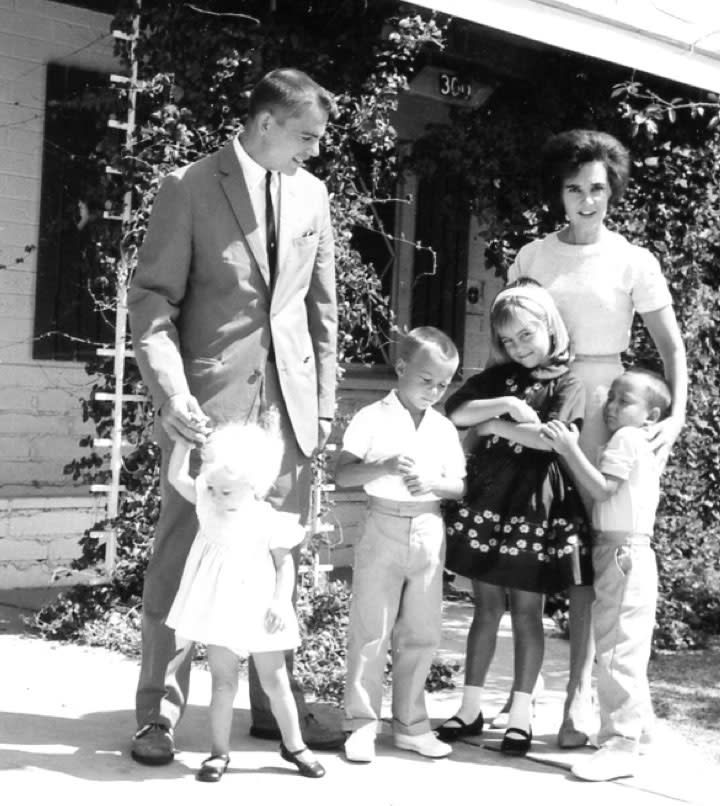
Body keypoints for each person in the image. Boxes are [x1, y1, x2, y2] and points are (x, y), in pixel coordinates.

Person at [127, 67, 341, 765]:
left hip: (290, 414)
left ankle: (270, 711)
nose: (314, 149)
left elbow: (322, 314)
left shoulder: (312, 195)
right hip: (210, 414)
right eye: (306, 135)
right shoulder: (189, 187)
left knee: (276, 553)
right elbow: (153, 304)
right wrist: (171, 392)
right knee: (183, 557)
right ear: (267, 123)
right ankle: (157, 713)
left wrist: (326, 408)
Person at [507, 129, 687, 747]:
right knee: (535, 548)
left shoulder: (633, 261)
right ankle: (517, 704)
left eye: (598, 189)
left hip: (606, 412)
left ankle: (581, 700)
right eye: (574, 188)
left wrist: (678, 413)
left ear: (613, 192)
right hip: (545, 406)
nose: (587, 201)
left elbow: (671, 347)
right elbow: (517, 335)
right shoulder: (532, 257)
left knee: (595, 559)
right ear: (557, 192)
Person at [436, 282, 592, 757]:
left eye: (528, 335)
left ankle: (521, 715)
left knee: (527, 613)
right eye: (509, 341)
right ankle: (470, 707)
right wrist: (503, 405)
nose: (520, 347)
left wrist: (495, 426)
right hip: (488, 504)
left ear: (550, 326)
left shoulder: (567, 382)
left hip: (533, 508)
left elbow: (553, 441)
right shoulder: (497, 380)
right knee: (485, 608)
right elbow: (456, 411)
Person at [166, 416, 325, 781]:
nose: (218, 498)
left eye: (227, 492)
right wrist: (184, 443)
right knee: (223, 681)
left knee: (275, 681)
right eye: (214, 488)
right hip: (219, 607)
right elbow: (178, 478)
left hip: (260, 607)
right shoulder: (206, 504)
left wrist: (279, 603)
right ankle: (219, 753)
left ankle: (295, 745)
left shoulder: (266, 518)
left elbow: (284, 567)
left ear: (254, 486)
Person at [335, 327, 466, 763]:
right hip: (383, 525)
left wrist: (434, 483)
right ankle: (362, 724)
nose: (434, 390)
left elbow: (459, 486)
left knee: (422, 631)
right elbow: (342, 474)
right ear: (402, 367)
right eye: (426, 380)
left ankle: (411, 725)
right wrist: (385, 465)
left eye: (443, 384)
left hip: (429, 529)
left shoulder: (444, 427)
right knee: (371, 629)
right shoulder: (372, 417)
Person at [542, 368, 671, 781]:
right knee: (625, 645)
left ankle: (620, 744)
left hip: (622, 553)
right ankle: (642, 732)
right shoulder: (639, 442)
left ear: (650, 416)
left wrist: (568, 449)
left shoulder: (627, 439)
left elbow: (601, 489)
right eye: (610, 398)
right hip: (624, 551)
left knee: (616, 650)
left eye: (624, 402)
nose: (612, 408)